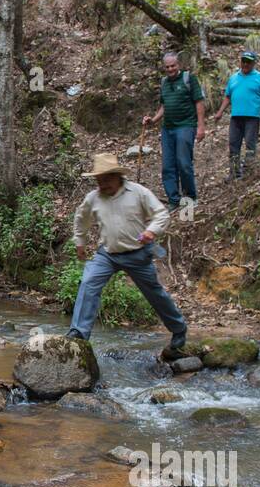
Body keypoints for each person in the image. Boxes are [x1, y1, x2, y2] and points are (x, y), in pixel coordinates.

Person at [66, 152, 188, 355]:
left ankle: (179, 329)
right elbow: (81, 220)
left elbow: (161, 214)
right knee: (88, 283)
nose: (102, 184)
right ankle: (78, 334)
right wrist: (80, 242)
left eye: (106, 179)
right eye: (98, 180)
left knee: (154, 294)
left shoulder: (138, 192)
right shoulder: (93, 198)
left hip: (138, 254)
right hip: (107, 254)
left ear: (118, 176)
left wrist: (152, 231)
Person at [142, 50, 206, 210]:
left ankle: (190, 198)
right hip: (168, 129)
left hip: (185, 126)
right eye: (167, 67)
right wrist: (153, 120)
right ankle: (173, 199)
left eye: (173, 66)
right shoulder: (164, 82)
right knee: (167, 166)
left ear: (179, 65)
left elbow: (199, 102)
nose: (170, 69)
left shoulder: (188, 79)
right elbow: (164, 106)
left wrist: (201, 127)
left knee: (184, 163)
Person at [211, 51, 260, 179]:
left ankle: (248, 173)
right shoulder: (233, 78)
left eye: (248, 61)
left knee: (250, 144)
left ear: (253, 63)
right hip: (236, 117)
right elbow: (228, 97)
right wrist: (220, 112)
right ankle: (234, 173)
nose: (245, 64)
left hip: (252, 117)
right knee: (233, 145)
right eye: (243, 61)